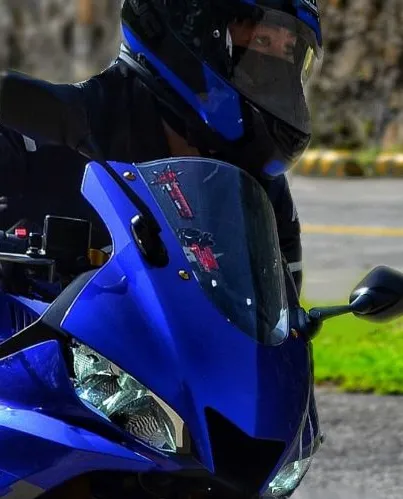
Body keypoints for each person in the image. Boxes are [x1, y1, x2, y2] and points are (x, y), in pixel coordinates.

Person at [0, 0, 323, 296]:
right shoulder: (40, 133)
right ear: (188, 26)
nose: (274, 68)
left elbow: (278, 330)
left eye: (289, 50)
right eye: (261, 41)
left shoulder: (260, 191)